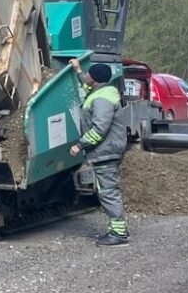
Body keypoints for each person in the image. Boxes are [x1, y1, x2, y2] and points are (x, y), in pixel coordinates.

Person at [68, 59, 129, 247]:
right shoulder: (101, 92)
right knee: (106, 190)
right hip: (107, 151)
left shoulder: (101, 99)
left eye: (88, 74)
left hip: (106, 152)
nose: (85, 75)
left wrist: (81, 145)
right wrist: (78, 71)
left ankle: (118, 234)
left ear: (93, 79)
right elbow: (86, 89)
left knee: (108, 191)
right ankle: (118, 231)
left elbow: (100, 128)